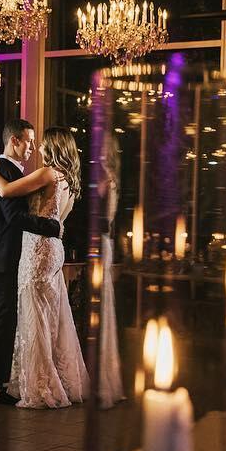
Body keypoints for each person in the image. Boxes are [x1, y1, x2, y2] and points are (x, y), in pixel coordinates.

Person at [0, 126, 88, 409]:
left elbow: (6, 191)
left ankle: (40, 383)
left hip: (39, 249)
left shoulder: (48, 173)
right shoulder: (69, 179)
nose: (39, 147)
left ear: (54, 147)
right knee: (51, 314)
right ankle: (53, 377)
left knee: (34, 314)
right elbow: (59, 222)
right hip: (55, 248)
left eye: (43, 143)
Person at [0, 119, 61, 405]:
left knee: (8, 320)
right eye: (28, 141)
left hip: (2, 255)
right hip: (5, 257)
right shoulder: (5, 171)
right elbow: (14, 218)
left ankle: (1, 381)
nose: (31, 148)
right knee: (4, 322)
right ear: (14, 140)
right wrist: (53, 227)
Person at [96, 141, 125, 406]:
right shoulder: (110, 176)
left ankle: (103, 377)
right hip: (105, 242)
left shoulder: (105, 178)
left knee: (102, 305)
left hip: (101, 243)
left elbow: (101, 216)